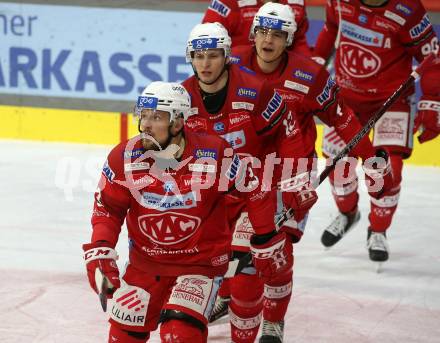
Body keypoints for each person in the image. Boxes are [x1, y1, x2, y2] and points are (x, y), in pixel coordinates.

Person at [217, 2, 393, 341]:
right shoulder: (231, 62)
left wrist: (371, 161)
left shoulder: (308, 74)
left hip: (289, 174)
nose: (269, 40)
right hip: (238, 174)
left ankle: (273, 319)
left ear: (290, 38)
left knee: (274, 254)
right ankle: (230, 298)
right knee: (229, 252)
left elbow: (342, 118)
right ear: (253, 34)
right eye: (263, 32)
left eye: (278, 34)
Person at [82, 81, 282, 343]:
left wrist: (265, 238)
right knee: (123, 337)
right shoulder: (124, 158)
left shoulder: (214, 154)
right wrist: (101, 250)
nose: (146, 126)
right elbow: (108, 208)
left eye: (157, 118)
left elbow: (255, 190)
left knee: (180, 334)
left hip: (199, 266)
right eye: (144, 116)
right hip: (146, 265)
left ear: (178, 123)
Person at [182, 21, 319, 343]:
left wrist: (296, 180)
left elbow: (288, 131)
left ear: (226, 56)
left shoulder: (255, 89)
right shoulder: (181, 98)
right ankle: (230, 301)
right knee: (216, 269)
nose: (205, 64)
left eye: (213, 55)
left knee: (253, 271)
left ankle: (272, 321)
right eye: (198, 56)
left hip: (254, 195)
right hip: (213, 201)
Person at [313, 0, 440, 262]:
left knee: (388, 168)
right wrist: (314, 64)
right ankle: (348, 214)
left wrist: (433, 100)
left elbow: (432, 56)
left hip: (392, 101)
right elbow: (330, 28)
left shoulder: (408, 10)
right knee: (338, 167)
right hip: (345, 98)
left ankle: (378, 230)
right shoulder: (337, 2)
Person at [202, 0, 311, 55]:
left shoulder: (296, 2)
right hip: (237, 72)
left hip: (280, 72)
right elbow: (206, 47)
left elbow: (298, 41)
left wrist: (310, 66)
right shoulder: (227, 2)